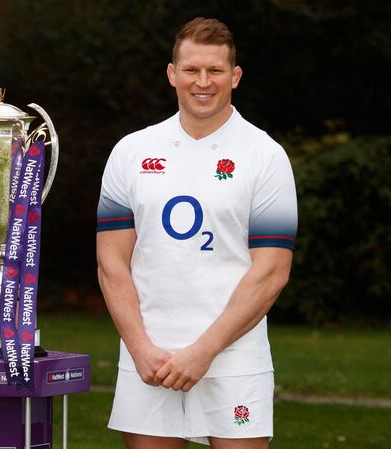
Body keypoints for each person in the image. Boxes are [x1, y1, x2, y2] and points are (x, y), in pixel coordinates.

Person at [96, 18, 297, 449]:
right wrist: (139, 346)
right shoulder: (132, 151)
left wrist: (204, 350)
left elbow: (272, 272)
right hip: (148, 355)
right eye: (191, 70)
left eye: (215, 71)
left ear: (235, 77)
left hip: (233, 357)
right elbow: (111, 262)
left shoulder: (265, 156)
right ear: (173, 74)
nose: (202, 82)